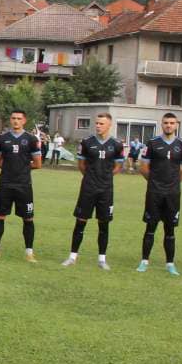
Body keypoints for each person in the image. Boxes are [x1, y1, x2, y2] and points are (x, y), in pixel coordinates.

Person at [62, 112, 123, 269]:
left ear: (109, 125)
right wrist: (91, 177)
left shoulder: (116, 144)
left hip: (106, 190)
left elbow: (118, 166)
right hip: (88, 188)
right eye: (96, 123)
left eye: (101, 123)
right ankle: (72, 257)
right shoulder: (87, 142)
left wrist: (105, 177)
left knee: (104, 224)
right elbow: (81, 165)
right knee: (81, 221)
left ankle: (102, 259)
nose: (98, 126)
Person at [136, 112, 182, 274]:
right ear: (162, 124)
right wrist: (154, 182)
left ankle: (170, 264)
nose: (169, 125)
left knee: (170, 229)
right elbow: (144, 167)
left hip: (173, 194)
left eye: (172, 123)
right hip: (154, 192)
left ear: (176, 125)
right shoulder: (152, 143)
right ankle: (144, 261)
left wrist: (174, 183)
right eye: (166, 122)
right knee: (150, 227)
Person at [0, 108, 43, 260]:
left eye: (19, 118)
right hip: (5, 183)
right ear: (10, 120)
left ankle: (29, 253)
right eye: (13, 118)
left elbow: (38, 164)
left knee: (28, 218)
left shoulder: (32, 140)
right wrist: (10, 169)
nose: (16, 121)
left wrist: (22, 168)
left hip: (24, 185)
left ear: (24, 120)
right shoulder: (1, 139)